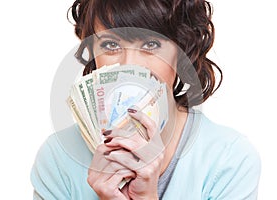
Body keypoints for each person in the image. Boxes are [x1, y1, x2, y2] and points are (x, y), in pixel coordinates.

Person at [30, 0, 261, 199]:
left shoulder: (230, 159)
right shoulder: (57, 157)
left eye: (151, 45)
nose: (131, 65)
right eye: (111, 45)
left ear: (181, 52)